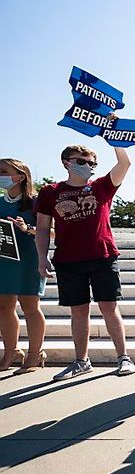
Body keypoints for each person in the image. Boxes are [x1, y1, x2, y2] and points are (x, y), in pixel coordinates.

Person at [35, 143, 135, 380]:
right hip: (68, 259)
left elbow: (124, 164)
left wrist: (116, 142)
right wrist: (42, 257)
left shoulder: (102, 186)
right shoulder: (50, 191)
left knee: (109, 307)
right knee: (78, 311)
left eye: (92, 163)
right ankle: (81, 361)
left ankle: (123, 357)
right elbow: (42, 228)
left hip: (103, 255)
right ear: (66, 163)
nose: (87, 166)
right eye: (81, 162)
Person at [0, 158, 47, 374]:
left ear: (19, 176)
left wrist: (27, 228)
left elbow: (52, 232)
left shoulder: (37, 202)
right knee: (3, 307)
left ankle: (35, 354)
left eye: (3, 171)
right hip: (4, 260)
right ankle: (11, 351)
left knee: (30, 306)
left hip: (29, 259)